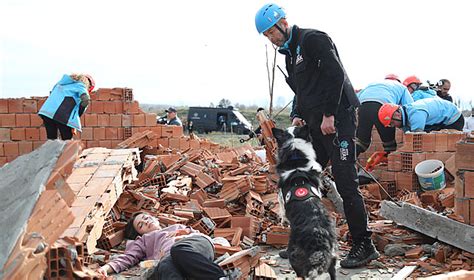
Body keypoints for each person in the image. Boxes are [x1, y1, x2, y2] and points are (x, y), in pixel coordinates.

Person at [255, 3, 378, 268]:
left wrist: (329, 115)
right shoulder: (289, 54)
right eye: (266, 36)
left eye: (270, 33)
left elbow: (335, 76)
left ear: (282, 23)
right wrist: (298, 113)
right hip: (316, 125)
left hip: (338, 121)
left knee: (346, 182)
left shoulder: (313, 39)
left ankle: (364, 245)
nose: (270, 39)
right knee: (304, 177)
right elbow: (300, 89)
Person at [97, 212, 227, 280]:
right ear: (139, 233)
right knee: (164, 266)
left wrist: (183, 236)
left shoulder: (176, 226)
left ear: (155, 218)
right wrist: (106, 268)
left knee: (178, 249)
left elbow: (203, 238)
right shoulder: (144, 241)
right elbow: (127, 258)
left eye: (146, 217)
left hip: (195, 246)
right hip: (172, 258)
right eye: (140, 225)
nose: (145, 221)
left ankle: (219, 277)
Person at [356, 79, 414, 157]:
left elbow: (355, 98)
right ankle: (390, 165)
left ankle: (346, 161)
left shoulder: (373, 83)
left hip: (363, 106)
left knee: (362, 142)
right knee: (389, 144)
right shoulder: (402, 87)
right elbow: (410, 108)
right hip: (383, 108)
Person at [38, 73, 93, 140]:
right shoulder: (80, 85)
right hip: (62, 114)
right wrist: (78, 114)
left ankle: (52, 150)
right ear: (88, 85)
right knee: (67, 141)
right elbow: (85, 100)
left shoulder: (59, 84)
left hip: (46, 113)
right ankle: (67, 150)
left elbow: (52, 95)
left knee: (52, 140)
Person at [378, 98, 464, 132]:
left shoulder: (415, 114)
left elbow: (417, 139)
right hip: (442, 120)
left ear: (397, 115)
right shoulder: (406, 115)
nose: (394, 126)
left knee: (442, 145)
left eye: (392, 123)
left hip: (454, 119)